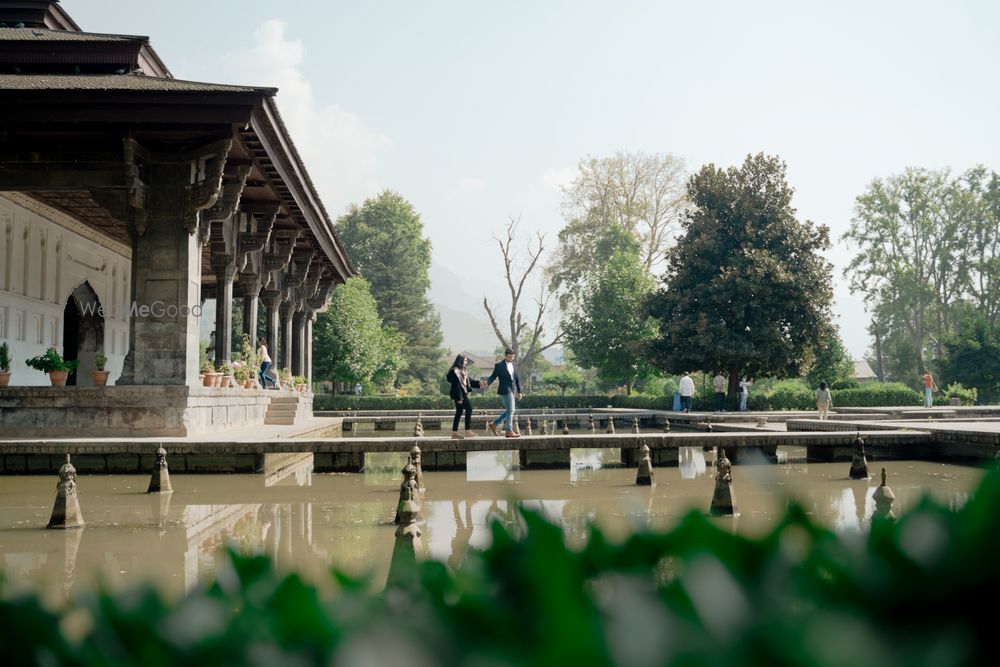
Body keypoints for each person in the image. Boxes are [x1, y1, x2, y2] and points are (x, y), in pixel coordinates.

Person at [446, 354, 487, 439]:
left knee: (459, 412)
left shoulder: (463, 370)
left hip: (461, 394)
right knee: (469, 409)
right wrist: (459, 398)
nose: (466, 363)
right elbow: (456, 385)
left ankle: (454, 433)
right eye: (465, 361)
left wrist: (479, 383)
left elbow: (469, 381)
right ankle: (467, 431)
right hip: (460, 395)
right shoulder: (455, 371)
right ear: (460, 361)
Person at [485, 348, 523, 438]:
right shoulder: (499, 366)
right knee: (511, 410)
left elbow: (517, 379)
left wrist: (520, 391)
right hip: (504, 390)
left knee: (510, 410)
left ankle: (494, 424)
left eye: (512, 357)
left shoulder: (514, 365)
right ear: (505, 355)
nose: (511, 358)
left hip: (512, 390)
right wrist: (487, 383)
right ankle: (508, 431)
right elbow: (493, 377)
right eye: (509, 356)